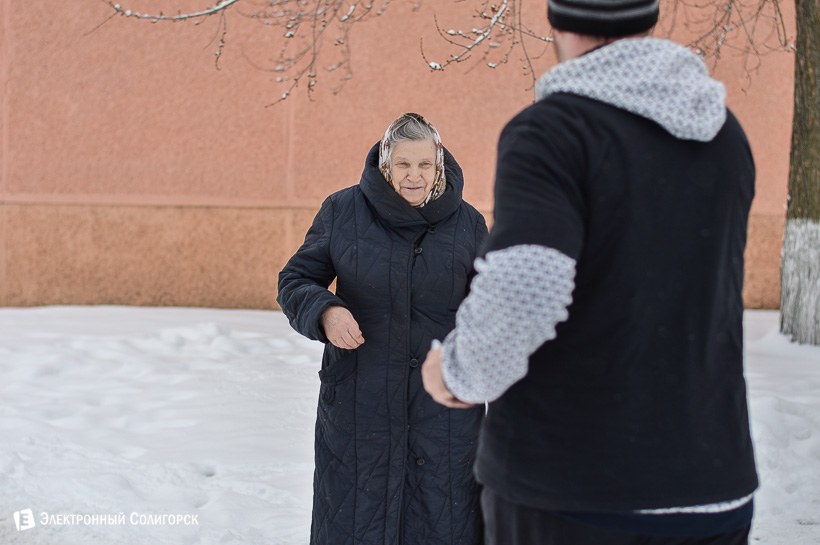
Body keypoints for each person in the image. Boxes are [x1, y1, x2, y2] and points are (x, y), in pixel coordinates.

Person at [420, 1, 759, 543]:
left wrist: (457, 374)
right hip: (713, 483)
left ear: (556, 22)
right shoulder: (723, 133)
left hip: (574, 489)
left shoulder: (553, 131)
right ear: (648, 19)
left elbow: (527, 286)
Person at [277, 113, 487, 545]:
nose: (414, 176)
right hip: (361, 401)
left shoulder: (468, 224)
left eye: (425, 165)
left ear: (439, 165)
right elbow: (295, 280)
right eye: (404, 164)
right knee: (357, 519)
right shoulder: (343, 211)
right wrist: (326, 312)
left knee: (442, 519)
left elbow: (488, 306)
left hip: (443, 407)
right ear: (387, 164)